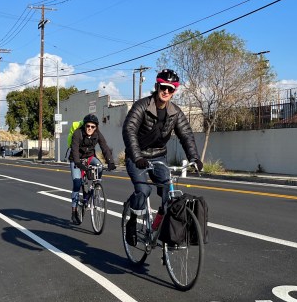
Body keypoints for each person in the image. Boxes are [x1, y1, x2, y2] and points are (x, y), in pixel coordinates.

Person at [122, 68, 203, 244]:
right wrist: (137, 157)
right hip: (137, 157)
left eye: (171, 88)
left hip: (159, 157)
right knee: (143, 191)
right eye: (163, 87)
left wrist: (194, 158)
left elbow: (186, 135)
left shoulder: (175, 112)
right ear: (157, 86)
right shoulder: (142, 106)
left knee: (169, 195)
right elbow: (129, 130)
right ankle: (132, 222)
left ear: (174, 91)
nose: (166, 91)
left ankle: (157, 230)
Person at [69, 113, 116, 224]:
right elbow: (74, 150)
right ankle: (74, 211)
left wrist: (110, 162)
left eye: (93, 127)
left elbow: (104, 147)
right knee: (77, 182)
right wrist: (78, 163)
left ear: (96, 127)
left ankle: (95, 186)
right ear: (84, 126)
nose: (90, 128)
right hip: (76, 160)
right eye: (88, 126)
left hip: (90, 157)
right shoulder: (77, 133)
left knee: (99, 166)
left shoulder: (97, 134)